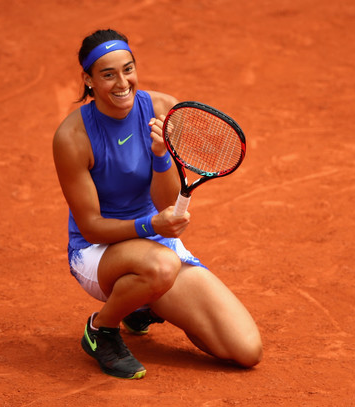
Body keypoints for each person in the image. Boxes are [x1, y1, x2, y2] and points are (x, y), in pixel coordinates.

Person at [53, 28, 262, 379]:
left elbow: (165, 201)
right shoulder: (71, 138)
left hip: (156, 246)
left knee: (245, 349)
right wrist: (152, 226)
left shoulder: (163, 108)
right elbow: (90, 226)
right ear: (88, 80)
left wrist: (162, 157)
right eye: (108, 74)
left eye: (128, 69)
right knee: (162, 265)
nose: (122, 83)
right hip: (98, 252)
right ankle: (101, 330)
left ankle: (141, 302)